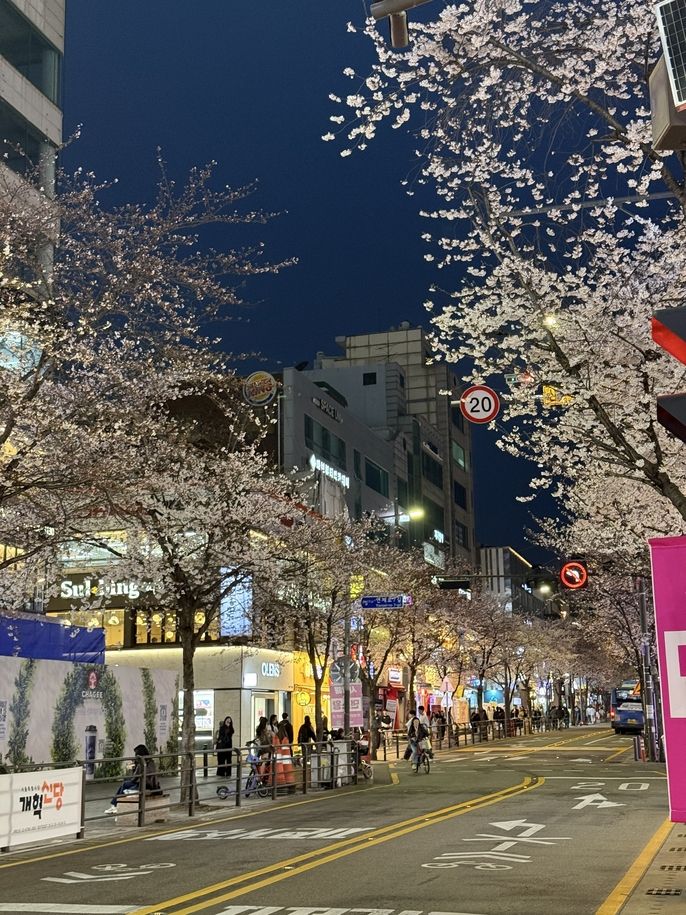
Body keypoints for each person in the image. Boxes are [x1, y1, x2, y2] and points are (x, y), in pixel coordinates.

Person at [104, 744, 160, 814]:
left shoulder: (141, 764)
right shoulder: (151, 762)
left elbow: (134, 778)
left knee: (125, 784)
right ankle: (115, 805)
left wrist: (132, 769)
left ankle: (115, 805)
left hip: (144, 786)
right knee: (125, 784)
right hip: (150, 785)